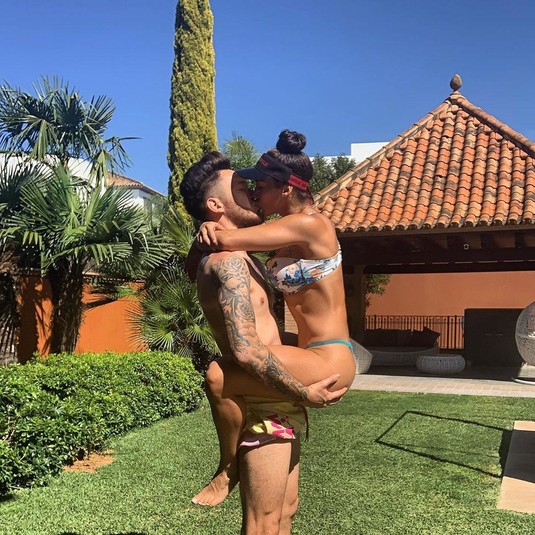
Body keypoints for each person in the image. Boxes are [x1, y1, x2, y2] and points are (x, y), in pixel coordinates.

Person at [180, 151, 346, 534]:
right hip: (264, 406)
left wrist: (205, 236)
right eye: (243, 187)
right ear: (216, 204)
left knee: (286, 513)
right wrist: (304, 392)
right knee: (264, 524)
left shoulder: (245, 256)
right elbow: (247, 350)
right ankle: (227, 467)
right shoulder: (229, 263)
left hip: (278, 393)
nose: (254, 193)